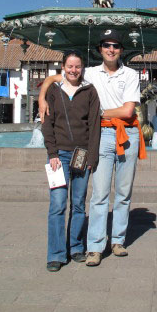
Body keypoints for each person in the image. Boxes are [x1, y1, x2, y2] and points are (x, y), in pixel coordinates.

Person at [38, 29, 144, 267]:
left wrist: (98, 112)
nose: (111, 49)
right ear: (100, 49)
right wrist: (42, 96)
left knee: (123, 193)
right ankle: (94, 246)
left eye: (116, 46)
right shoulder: (90, 73)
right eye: (107, 45)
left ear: (121, 50)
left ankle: (117, 240)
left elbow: (128, 111)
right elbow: (57, 79)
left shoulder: (130, 74)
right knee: (97, 194)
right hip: (100, 136)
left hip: (126, 134)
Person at [41, 50, 100, 272]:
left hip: (82, 154)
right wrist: (52, 153)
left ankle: (75, 247)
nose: (73, 70)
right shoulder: (54, 92)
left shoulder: (90, 91)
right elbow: (47, 123)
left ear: (82, 68)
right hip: (59, 156)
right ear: (63, 68)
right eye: (69, 66)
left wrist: (92, 156)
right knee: (57, 204)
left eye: (77, 67)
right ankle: (55, 254)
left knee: (78, 203)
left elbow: (94, 126)